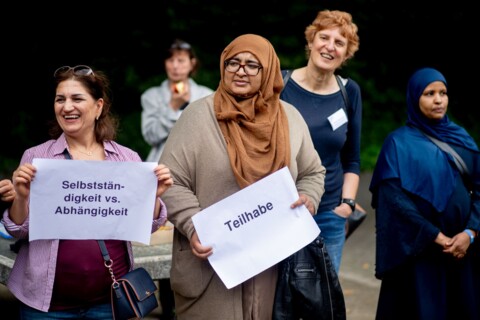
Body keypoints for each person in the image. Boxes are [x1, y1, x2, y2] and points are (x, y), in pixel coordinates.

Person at [158, 33, 326, 319]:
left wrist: (308, 197)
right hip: (210, 265)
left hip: (272, 265)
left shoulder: (290, 118)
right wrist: (194, 225)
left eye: (252, 65)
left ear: (269, 70)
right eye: (233, 62)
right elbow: (170, 181)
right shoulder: (198, 116)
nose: (240, 71)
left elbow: (312, 172)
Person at [1, 65, 173, 319]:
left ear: (98, 107)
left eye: (77, 98)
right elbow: (19, 230)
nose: (67, 106)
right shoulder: (37, 156)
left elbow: (146, 225)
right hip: (45, 306)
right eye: (60, 99)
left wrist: (154, 196)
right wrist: (22, 197)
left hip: (110, 301)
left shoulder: (127, 159)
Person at [369, 67, 480, 319]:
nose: (438, 99)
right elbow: (393, 200)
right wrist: (436, 237)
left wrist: (470, 233)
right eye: (429, 93)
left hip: (462, 254)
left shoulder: (462, 139)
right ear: (414, 97)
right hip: (418, 254)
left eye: (443, 92)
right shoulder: (398, 143)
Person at [279, 9, 362, 273]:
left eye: (339, 43)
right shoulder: (280, 83)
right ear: (311, 41)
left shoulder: (349, 92)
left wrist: (346, 206)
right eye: (324, 38)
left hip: (329, 214)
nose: (330, 47)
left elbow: (352, 159)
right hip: (280, 210)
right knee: (279, 300)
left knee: (323, 300)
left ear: (347, 53)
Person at [141, 38, 215, 163]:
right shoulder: (151, 96)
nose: (175, 66)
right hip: (162, 165)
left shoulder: (207, 95)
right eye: (170, 60)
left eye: (181, 60)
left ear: (192, 63)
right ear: (165, 63)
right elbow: (151, 136)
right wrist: (173, 107)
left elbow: (210, 137)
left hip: (198, 164)